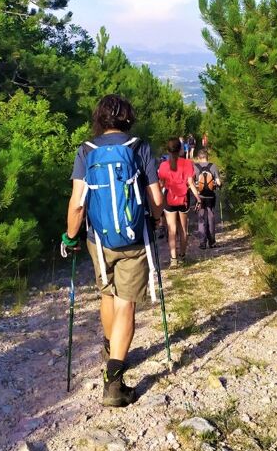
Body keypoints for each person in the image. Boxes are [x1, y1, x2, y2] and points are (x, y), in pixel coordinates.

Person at [62, 94, 164, 408]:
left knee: (108, 296)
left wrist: (69, 237)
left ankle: (111, 349)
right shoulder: (139, 147)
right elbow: (156, 200)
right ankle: (114, 382)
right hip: (134, 238)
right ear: (128, 117)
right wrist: (155, 221)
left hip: (98, 239)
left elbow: (77, 203)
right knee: (126, 304)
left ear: (99, 118)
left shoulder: (86, 150)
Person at [158, 138, 200, 268]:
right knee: (183, 229)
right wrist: (198, 198)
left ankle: (173, 259)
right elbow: (190, 183)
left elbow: (161, 184)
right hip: (183, 198)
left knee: (171, 229)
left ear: (168, 150)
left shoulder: (163, 165)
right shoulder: (187, 163)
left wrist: (156, 200)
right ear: (181, 149)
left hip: (169, 198)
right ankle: (182, 256)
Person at [193, 149, 221, 249]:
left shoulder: (195, 167)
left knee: (201, 218)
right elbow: (218, 182)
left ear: (198, 158)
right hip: (211, 196)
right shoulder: (213, 166)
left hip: (200, 196)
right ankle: (212, 242)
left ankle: (202, 243)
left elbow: (191, 183)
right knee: (211, 217)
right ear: (207, 156)